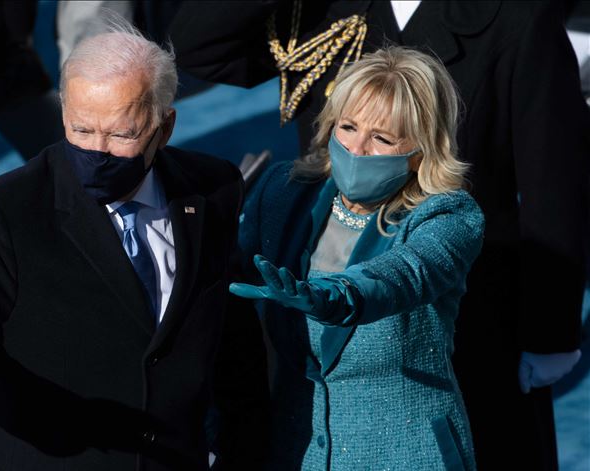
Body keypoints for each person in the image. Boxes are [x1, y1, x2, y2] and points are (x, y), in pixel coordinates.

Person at [170, 2, 589, 468]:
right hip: (313, 264)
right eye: (348, 127)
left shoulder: (515, 16)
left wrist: (551, 329)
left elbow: (553, 178)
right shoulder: (326, 6)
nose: (358, 145)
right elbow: (197, 49)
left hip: (458, 293)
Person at [0, 22, 269, 471]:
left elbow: (233, 337)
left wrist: (246, 446)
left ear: (164, 126)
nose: (97, 152)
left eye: (121, 135)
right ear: (63, 113)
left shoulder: (213, 189)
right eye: (81, 130)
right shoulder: (4, 213)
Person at [230, 47, 483, 470]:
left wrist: (340, 295)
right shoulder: (282, 192)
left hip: (408, 455)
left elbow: (408, 272)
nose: (357, 148)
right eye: (347, 127)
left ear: (421, 151)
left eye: (382, 138)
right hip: (295, 449)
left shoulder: (447, 215)